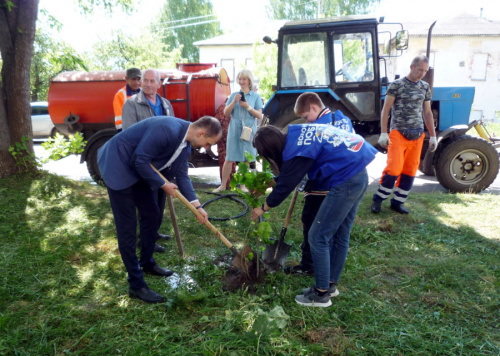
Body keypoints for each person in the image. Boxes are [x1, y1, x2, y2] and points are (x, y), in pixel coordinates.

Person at [97, 116, 221, 303]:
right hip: (118, 163)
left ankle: (147, 262)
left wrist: (198, 206)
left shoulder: (185, 145)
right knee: (127, 228)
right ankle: (136, 285)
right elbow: (140, 160)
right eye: (207, 143)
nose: (205, 147)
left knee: (152, 214)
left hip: (138, 168)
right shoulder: (167, 129)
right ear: (201, 133)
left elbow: (182, 176)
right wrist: (163, 184)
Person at [251, 124, 377, 307]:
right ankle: (330, 286)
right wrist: (272, 182)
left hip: (346, 180)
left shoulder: (297, 150)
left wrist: (263, 207)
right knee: (341, 234)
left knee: (317, 236)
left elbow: (286, 185)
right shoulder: (297, 135)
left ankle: (321, 294)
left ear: (271, 149)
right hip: (357, 173)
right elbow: (293, 174)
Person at [284, 92, 355, 276]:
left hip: (323, 183)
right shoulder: (343, 119)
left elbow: (311, 160)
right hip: (344, 182)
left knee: (311, 221)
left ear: (314, 108)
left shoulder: (318, 127)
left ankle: (310, 265)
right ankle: (326, 266)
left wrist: (299, 180)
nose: (307, 122)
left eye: (306, 117)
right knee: (334, 229)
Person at [371, 55, 437, 215]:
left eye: (425, 71)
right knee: (393, 169)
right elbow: (386, 109)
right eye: (420, 69)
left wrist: (433, 135)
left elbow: (427, 112)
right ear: (412, 66)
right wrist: (383, 132)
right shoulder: (396, 85)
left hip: (418, 135)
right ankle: (378, 199)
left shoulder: (425, 87)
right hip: (398, 133)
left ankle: (397, 202)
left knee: (410, 170)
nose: (422, 73)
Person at [122, 68, 175, 252]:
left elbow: (173, 130)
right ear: (141, 82)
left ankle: (154, 232)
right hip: (145, 162)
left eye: (153, 81)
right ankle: (146, 241)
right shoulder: (131, 104)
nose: (149, 84)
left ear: (159, 84)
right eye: (146, 80)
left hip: (163, 163)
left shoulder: (166, 104)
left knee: (160, 200)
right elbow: (128, 135)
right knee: (148, 205)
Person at [214, 69, 263, 192]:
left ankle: (243, 186)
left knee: (246, 159)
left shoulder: (256, 96)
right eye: (240, 79)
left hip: (249, 128)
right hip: (235, 127)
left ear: (249, 80)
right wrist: (234, 101)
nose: (241, 81)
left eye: (244, 79)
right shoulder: (233, 95)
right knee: (229, 157)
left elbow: (259, 115)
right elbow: (226, 112)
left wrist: (248, 107)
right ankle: (223, 185)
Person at [113, 68, 142, 132]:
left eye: (138, 79)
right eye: (133, 79)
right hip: (128, 131)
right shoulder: (120, 95)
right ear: (127, 79)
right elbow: (119, 121)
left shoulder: (144, 93)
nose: (136, 82)